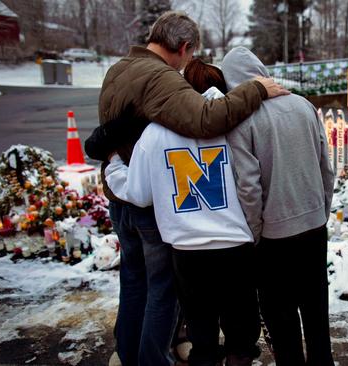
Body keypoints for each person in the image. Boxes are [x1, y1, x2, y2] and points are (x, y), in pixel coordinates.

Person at [85, 11, 288, 366]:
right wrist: (256, 89)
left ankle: (128, 353)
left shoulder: (119, 69)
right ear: (182, 48)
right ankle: (152, 360)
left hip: (129, 197)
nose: (188, 63)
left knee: (136, 286)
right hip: (157, 205)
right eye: (191, 55)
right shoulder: (160, 78)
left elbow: (126, 133)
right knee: (164, 293)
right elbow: (205, 120)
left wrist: (110, 163)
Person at [102, 59, 260, 366]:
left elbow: (139, 194)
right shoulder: (231, 123)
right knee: (241, 339)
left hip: (188, 250)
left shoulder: (155, 133)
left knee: (201, 338)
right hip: (235, 246)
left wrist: (114, 167)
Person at [223, 47, 335, 366]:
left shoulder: (242, 122)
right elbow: (326, 167)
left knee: (281, 320)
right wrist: (321, 212)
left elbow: (248, 187)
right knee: (316, 313)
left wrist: (256, 233)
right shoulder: (304, 106)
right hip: (314, 227)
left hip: (274, 237)